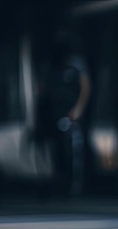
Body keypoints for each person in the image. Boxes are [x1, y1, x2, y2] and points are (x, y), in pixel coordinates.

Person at [35, 31, 91, 196]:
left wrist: (78, 108)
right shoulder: (49, 66)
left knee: (73, 151)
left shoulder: (76, 64)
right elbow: (42, 91)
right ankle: (60, 182)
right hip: (54, 114)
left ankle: (75, 185)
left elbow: (85, 86)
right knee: (56, 151)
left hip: (71, 114)